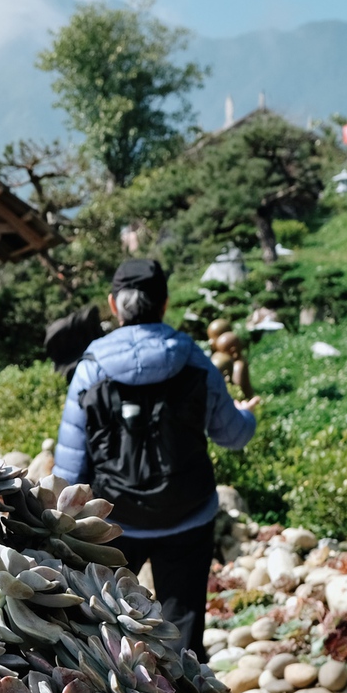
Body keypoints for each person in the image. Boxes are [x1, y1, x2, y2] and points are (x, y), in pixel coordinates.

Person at [54, 258, 257, 657]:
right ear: (164, 304)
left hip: (114, 521)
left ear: (113, 305)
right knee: (184, 638)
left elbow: (69, 466)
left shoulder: (91, 367)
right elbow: (233, 435)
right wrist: (247, 412)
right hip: (188, 516)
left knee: (104, 632)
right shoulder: (193, 357)